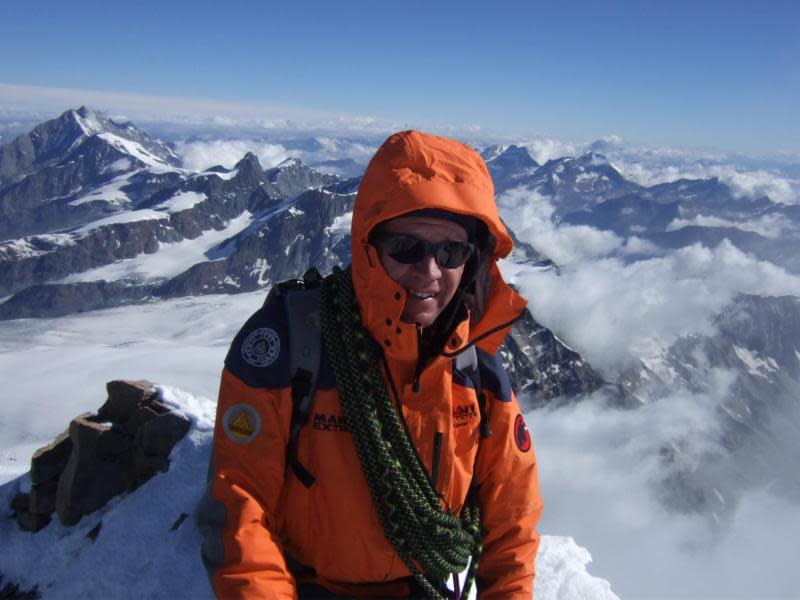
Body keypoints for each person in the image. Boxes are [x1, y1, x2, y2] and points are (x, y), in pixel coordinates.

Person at [198, 130, 543, 599]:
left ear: (473, 260)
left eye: (452, 251)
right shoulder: (287, 344)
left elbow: (511, 523)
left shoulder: (476, 373)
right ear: (368, 248)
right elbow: (239, 505)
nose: (430, 272)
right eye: (406, 248)